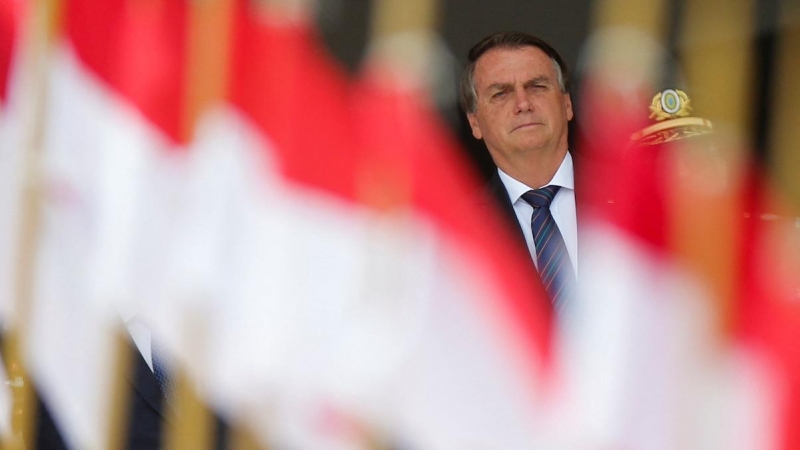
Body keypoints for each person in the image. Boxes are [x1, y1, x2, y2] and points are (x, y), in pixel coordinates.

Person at [459, 32, 577, 309]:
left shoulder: (629, 201)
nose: (523, 104)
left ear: (567, 104)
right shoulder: (462, 231)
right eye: (501, 93)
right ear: (475, 122)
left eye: (537, 86)